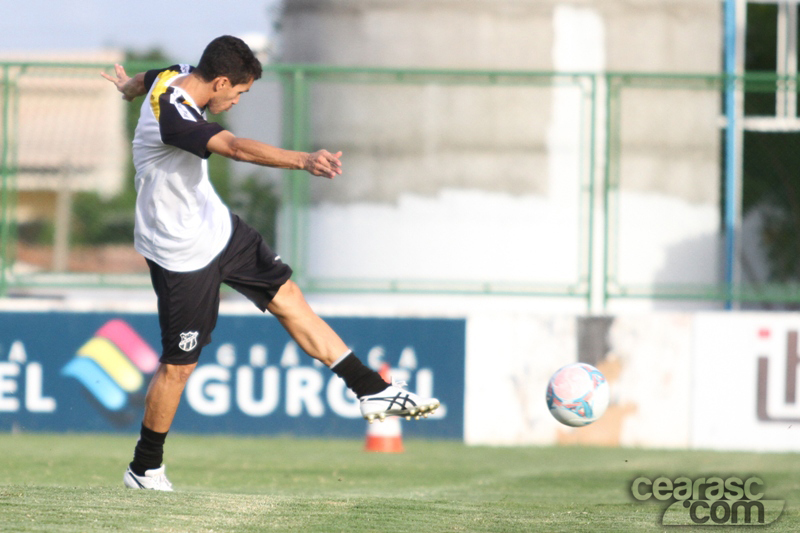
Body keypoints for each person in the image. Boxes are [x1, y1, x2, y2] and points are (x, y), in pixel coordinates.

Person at [102, 35, 439, 492]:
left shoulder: (177, 73)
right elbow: (237, 148)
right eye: (238, 92)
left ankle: (371, 391)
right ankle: (144, 469)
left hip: (217, 228)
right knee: (179, 365)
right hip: (178, 251)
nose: (238, 100)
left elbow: (149, 77)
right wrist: (304, 160)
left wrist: (128, 88)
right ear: (219, 81)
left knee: (288, 298)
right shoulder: (175, 118)